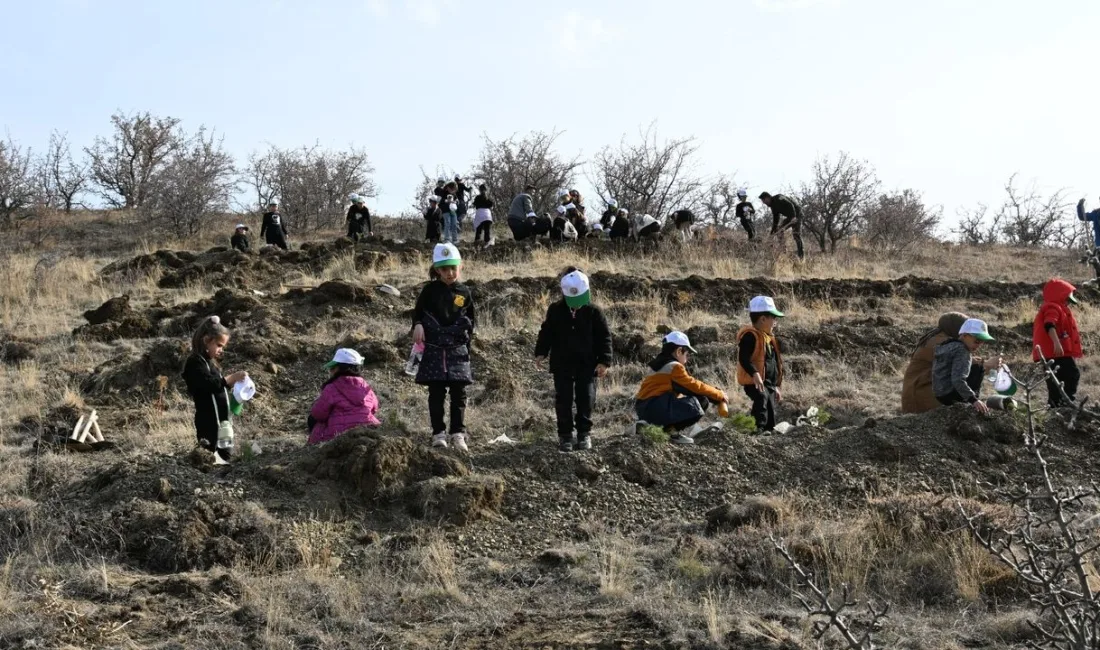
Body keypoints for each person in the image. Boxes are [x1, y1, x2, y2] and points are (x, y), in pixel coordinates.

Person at [535, 269, 612, 452]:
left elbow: (604, 337)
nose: (577, 305)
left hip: (587, 364)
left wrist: (604, 361)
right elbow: (546, 333)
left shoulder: (594, 312)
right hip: (562, 364)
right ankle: (565, 436)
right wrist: (541, 352)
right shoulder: (555, 311)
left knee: (586, 398)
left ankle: (584, 434)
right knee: (563, 400)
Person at [413, 243, 476, 451]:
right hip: (434, 348)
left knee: (459, 393)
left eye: (453, 268)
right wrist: (418, 325)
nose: (449, 273)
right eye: (444, 269)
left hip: (457, 349)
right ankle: (438, 433)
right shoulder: (429, 291)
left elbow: (471, 320)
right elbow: (418, 313)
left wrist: (467, 345)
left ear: (460, 266)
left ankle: (458, 433)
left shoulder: (464, 292)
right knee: (436, 393)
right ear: (437, 270)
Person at [635, 331, 727, 444]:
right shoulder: (675, 367)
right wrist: (718, 394)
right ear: (679, 351)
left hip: (644, 409)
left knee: (693, 397)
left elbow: (685, 388)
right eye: (687, 354)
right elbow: (694, 386)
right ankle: (670, 432)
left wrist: (712, 395)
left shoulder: (657, 366)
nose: (687, 359)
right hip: (656, 409)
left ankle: (648, 425)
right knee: (701, 401)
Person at [182, 316, 248, 464]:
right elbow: (207, 384)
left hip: (223, 423)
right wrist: (229, 379)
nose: (221, 350)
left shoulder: (211, 364)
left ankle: (224, 473)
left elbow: (217, 386)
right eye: (219, 345)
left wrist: (233, 385)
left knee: (225, 458)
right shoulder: (195, 362)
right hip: (209, 424)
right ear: (206, 340)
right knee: (209, 457)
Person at [901, 312, 971, 414]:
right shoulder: (940, 342)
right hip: (920, 392)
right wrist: (984, 363)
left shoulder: (942, 339)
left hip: (921, 388)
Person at [307, 348, 381, 445]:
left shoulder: (331, 387)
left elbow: (318, 414)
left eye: (333, 368)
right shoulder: (366, 387)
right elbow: (375, 408)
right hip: (368, 430)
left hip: (337, 437)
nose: (330, 371)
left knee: (312, 420)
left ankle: (312, 448)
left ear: (340, 368)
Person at [736, 296, 786, 431]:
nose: (775, 321)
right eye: (773, 318)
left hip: (769, 384)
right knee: (761, 399)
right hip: (755, 382)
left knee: (770, 418)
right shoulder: (750, 336)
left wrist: (776, 386)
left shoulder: (769, 339)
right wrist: (755, 374)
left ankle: (762, 430)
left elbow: (773, 364)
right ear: (763, 319)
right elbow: (743, 358)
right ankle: (756, 430)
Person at [1033, 278, 1083, 407]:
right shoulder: (1052, 307)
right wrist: (1056, 343)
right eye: (1066, 299)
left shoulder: (1058, 307)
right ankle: (1065, 402)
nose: (1068, 302)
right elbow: (1049, 324)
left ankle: (1056, 405)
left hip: (1055, 352)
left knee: (1056, 378)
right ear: (1059, 295)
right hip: (1054, 352)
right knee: (1071, 374)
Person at [933, 318, 1000, 413]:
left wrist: (972, 361)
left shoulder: (949, 345)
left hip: (940, 393)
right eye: (977, 341)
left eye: (981, 343)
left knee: (976, 364)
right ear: (964, 335)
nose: (978, 345)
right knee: (978, 368)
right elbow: (957, 380)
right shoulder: (963, 351)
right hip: (950, 394)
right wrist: (973, 400)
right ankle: (973, 403)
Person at [759, 192, 804, 260]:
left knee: (796, 235)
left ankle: (801, 256)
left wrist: (793, 216)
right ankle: (784, 251)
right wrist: (772, 233)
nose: (764, 203)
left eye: (764, 200)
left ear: (768, 198)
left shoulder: (779, 198)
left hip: (797, 215)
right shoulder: (773, 207)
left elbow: (790, 204)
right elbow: (775, 221)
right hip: (790, 217)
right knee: (779, 230)